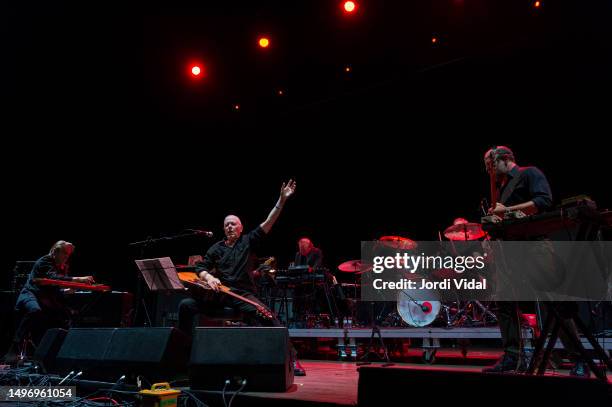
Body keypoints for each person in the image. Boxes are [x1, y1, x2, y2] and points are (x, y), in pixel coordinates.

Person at [178, 180, 306, 375]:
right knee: (185, 305)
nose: (230, 226)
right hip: (220, 297)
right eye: (226, 224)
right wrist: (208, 278)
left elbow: (268, 223)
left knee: (269, 316)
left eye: (233, 224)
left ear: (240, 228)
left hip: (244, 295)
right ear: (224, 229)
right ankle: (183, 356)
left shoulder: (247, 242)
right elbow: (200, 267)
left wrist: (281, 200)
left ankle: (292, 358)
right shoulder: (216, 248)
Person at [481, 146, 588, 377]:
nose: (488, 170)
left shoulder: (529, 173)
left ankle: (579, 358)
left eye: (490, 164)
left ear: (506, 159)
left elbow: (543, 201)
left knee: (554, 303)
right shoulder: (501, 188)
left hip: (534, 247)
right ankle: (512, 356)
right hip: (510, 252)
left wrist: (505, 209)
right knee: (505, 303)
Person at [3, 241, 94, 364]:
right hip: (31, 294)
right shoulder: (45, 261)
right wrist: (77, 279)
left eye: (69, 254)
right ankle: (14, 348)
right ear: (55, 252)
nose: (67, 257)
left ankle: (61, 353)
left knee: (67, 317)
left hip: (46, 299)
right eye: (65, 253)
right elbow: (52, 277)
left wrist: (65, 291)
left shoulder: (63, 267)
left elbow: (54, 288)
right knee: (34, 310)